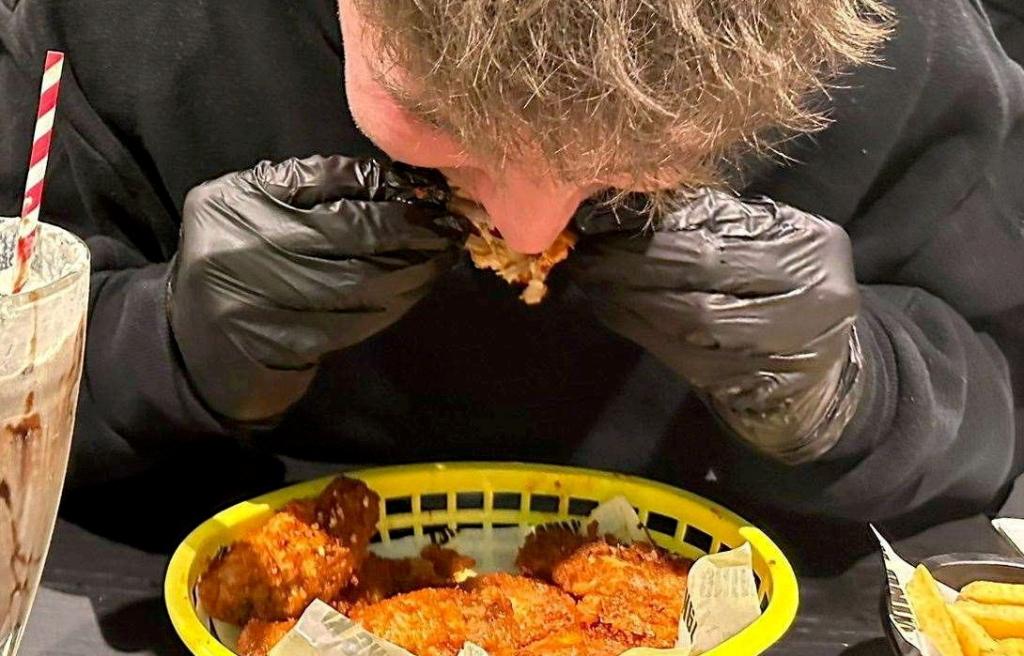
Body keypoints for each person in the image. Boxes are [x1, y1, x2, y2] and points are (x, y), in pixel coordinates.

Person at [0, 0, 1021, 532]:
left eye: (638, 159)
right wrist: (159, 344)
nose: (529, 240)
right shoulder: (117, 32)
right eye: (438, 119)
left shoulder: (894, 43)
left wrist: (862, 391)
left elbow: (999, 406)